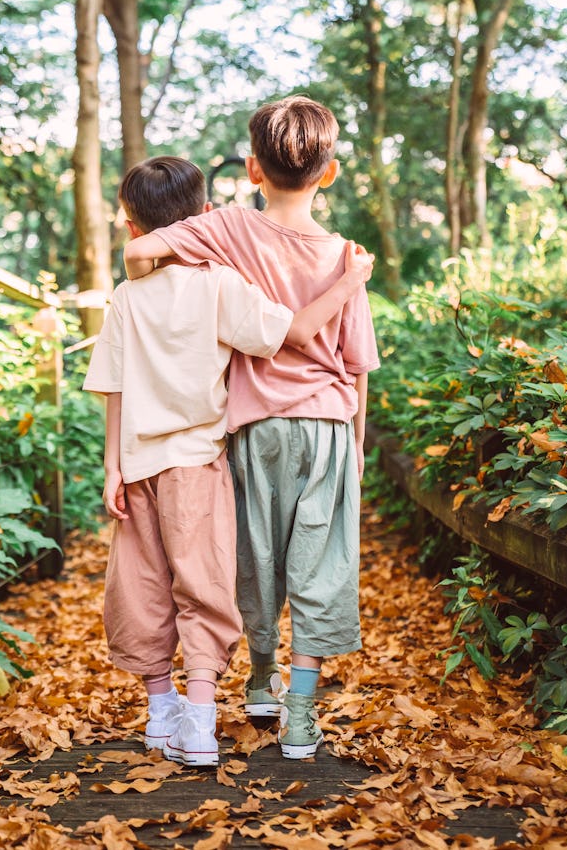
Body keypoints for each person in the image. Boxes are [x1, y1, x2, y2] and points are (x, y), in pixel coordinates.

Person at [84, 155, 373, 768]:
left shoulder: (124, 298)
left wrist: (112, 465)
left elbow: (111, 385)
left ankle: (161, 710)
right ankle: (201, 725)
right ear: (206, 219)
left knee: (140, 589)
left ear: (134, 229)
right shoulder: (219, 286)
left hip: (135, 465)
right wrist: (349, 282)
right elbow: (291, 333)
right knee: (203, 588)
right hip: (196, 460)